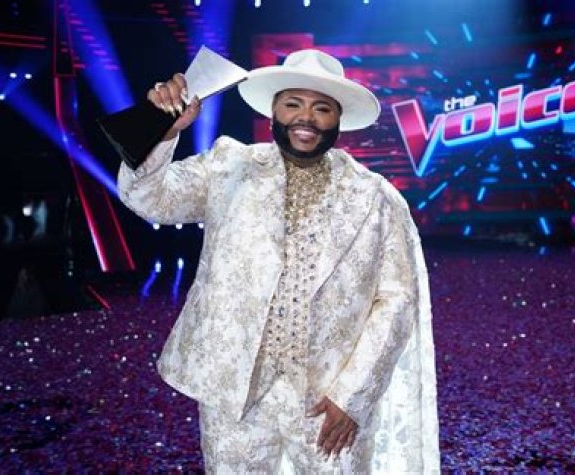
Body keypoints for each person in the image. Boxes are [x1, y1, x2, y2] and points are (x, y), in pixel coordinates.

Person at [117, 49, 440, 473]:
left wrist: (353, 394)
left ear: (338, 119)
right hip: (233, 390)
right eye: (293, 104)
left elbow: (397, 301)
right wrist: (163, 132)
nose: (306, 118)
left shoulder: (375, 197)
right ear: (274, 110)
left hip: (326, 398)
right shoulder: (229, 166)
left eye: (321, 108)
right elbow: (148, 198)